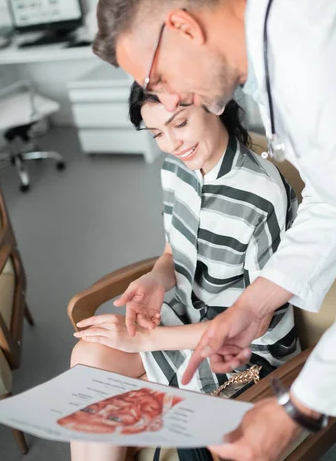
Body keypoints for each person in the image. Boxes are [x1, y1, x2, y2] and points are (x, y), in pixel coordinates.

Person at [92, 0, 336, 461]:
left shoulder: (321, 58)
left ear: (182, 27)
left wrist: (299, 409)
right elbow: (331, 199)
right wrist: (251, 306)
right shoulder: (283, 52)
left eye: (159, 81)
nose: (172, 99)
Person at [70, 84, 298, 461]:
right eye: (158, 133)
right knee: (88, 359)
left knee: (135, 407)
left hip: (249, 354)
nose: (172, 143)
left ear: (215, 104)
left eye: (180, 124)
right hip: (190, 323)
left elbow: (254, 322)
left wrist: (145, 340)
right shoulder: (178, 168)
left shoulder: (262, 193)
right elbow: (171, 251)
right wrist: (156, 280)